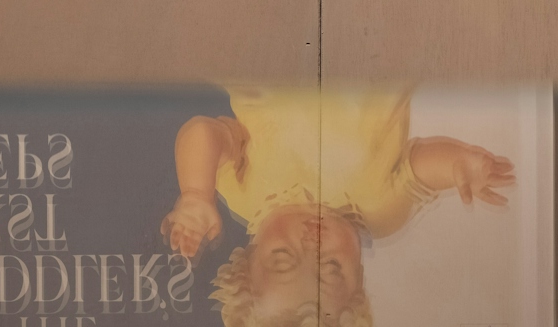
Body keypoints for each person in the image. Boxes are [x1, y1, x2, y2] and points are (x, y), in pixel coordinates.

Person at [159, 88, 516, 327]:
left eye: (283, 257)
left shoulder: (245, 190)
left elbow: (202, 132)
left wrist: (196, 192)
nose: (313, 245)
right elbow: (419, 164)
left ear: (246, 262)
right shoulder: (382, 212)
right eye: (331, 267)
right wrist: (457, 165)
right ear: (359, 278)